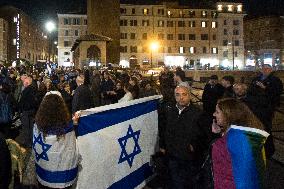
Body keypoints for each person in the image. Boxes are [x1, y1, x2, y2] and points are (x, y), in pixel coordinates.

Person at [159, 85, 211, 189]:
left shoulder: (198, 113)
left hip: (188, 157)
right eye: (177, 95)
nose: (181, 97)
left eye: (184, 94)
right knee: (173, 179)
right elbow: (163, 128)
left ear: (189, 96)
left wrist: (193, 147)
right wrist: (163, 145)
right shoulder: (169, 110)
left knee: (186, 182)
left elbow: (204, 136)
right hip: (171, 154)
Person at [211, 98, 269, 189]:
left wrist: (218, 138)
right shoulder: (251, 138)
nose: (214, 114)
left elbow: (223, 175)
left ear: (228, 115)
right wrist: (223, 132)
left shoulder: (222, 145)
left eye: (217, 112)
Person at [33, 91, 79, 189]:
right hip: (63, 173)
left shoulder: (37, 125)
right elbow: (72, 145)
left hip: (44, 170)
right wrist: (75, 122)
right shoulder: (68, 127)